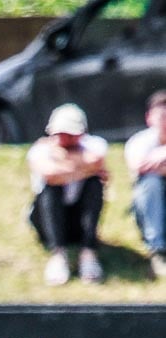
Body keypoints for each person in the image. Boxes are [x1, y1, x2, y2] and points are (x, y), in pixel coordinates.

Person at [26, 103, 109, 286]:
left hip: (79, 220)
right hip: (47, 220)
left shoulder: (95, 144)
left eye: (70, 134)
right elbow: (51, 175)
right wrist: (82, 167)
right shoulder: (39, 149)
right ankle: (58, 255)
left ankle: (88, 254)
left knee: (94, 185)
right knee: (50, 190)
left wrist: (63, 163)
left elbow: (96, 161)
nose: (64, 138)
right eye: (60, 133)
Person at [124, 89, 166, 280]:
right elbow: (138, 165)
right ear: (149, 117)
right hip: (149, 206)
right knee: (150, 182)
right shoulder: (139, 141)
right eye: (162, 116)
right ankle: (157, 251)